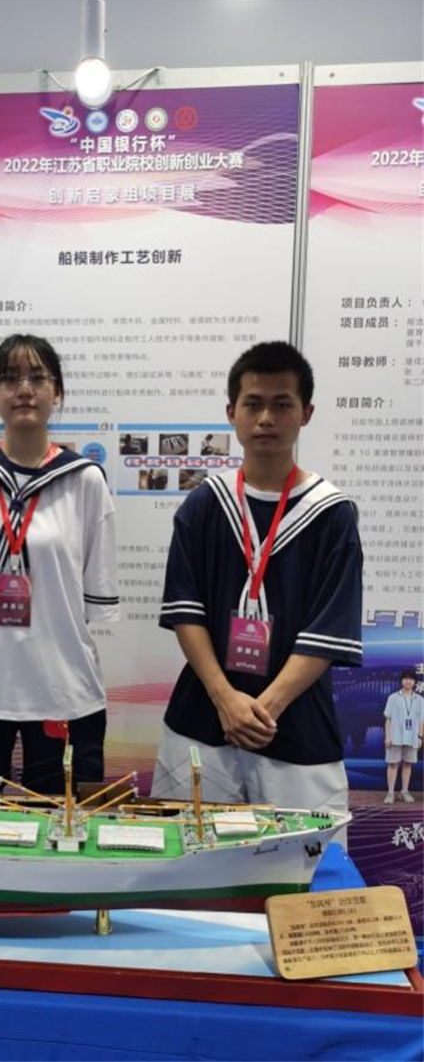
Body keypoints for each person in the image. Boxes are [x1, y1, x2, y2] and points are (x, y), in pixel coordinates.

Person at [151, 341, 363, 816]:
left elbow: (328, 632)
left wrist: (262, 709)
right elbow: (186, 614)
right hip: (202, 720)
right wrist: (225, 698)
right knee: (190, 854)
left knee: (302, 858)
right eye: (253, 404)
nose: (266, 418)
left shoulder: (332, 514)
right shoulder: (204, 505)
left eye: (282, 404)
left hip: (296, 729)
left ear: (306, 413)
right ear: (232, 412)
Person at [0, 334, 119, 793]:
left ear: (57, 392)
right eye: (9, 379)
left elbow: (95, 596)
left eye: (38, 378)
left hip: (61, 687)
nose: (24, 389)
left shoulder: (86, 481)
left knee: (63, 823)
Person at [383, 669, 424, 803]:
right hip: (395, 736)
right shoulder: (393, 697)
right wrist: (388, 736)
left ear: (415, 682)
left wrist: (420, 737)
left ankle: (404, 791)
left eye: (411, 679)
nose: (408, 681)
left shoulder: (420, 700)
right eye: (405, 678)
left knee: (407, 764)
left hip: (412, 737)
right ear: (401, 681)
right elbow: (388, 719)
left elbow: (421, 720)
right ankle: (390, 793)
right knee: (393, 764)